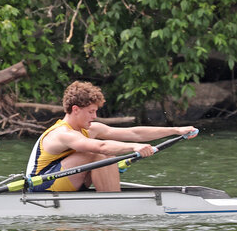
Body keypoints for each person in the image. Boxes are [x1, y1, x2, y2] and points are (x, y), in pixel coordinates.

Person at [25, 80, 197, 192]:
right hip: (42, 186)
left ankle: (111, 195)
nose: (94, 116)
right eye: (91, 112)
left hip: (65, 182)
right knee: (99, 153)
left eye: (95, 112)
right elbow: (101, 146)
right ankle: (114, 199)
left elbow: (134, 133)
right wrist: (133, 148)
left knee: (102, 153)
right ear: (75, 109)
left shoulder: (90, 129)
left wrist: (175, 130)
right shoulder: (62, 134)